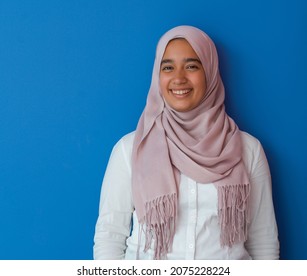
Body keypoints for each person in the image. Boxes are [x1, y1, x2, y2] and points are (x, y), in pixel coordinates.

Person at [93, 25, 279, 260]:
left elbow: (264, 242)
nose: (179, 78)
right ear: (157, 75)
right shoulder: (130, 149)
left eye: (191, 66)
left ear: (210, 72)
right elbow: (109, 238)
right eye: (168, 67)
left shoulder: (248, 149)